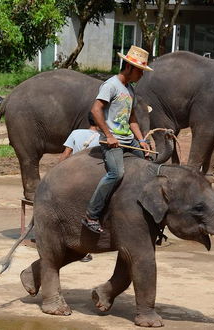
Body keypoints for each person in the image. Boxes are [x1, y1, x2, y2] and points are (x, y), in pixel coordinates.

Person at [81, 45, 153, 234]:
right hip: (112, 140)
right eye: (140, 71)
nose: (141, 76)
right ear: (129, 67)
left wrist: (142, 141)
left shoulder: (130, 89)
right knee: (116, 173)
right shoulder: (111, 85)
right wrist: (109, 135)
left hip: (129, 139)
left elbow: (132, 119)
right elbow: (95, 110)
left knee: (149, 163)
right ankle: (91, 215)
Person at [59, 113, 101, 262]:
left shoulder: (76, 133)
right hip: (91, 180)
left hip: (72, 177)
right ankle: (84, 248)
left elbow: (65, 155)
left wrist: (57, 173)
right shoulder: (103, 138)